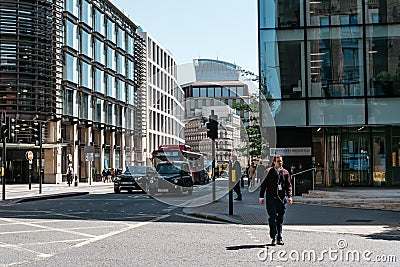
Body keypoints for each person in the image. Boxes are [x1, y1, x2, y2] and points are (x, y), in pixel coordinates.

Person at [259, 155, 292, 245]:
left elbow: (288, 185)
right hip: (271, 198)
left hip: (281, 199)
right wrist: (261, 197)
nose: (280, 163)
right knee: (272, 218)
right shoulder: (269, 172)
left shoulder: (285, 172)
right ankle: (273, 236)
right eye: (278, 161)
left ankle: (279, 238)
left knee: (280, 219)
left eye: (281, 161)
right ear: (274, 162)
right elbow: (264, 185)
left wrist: (289, 196)